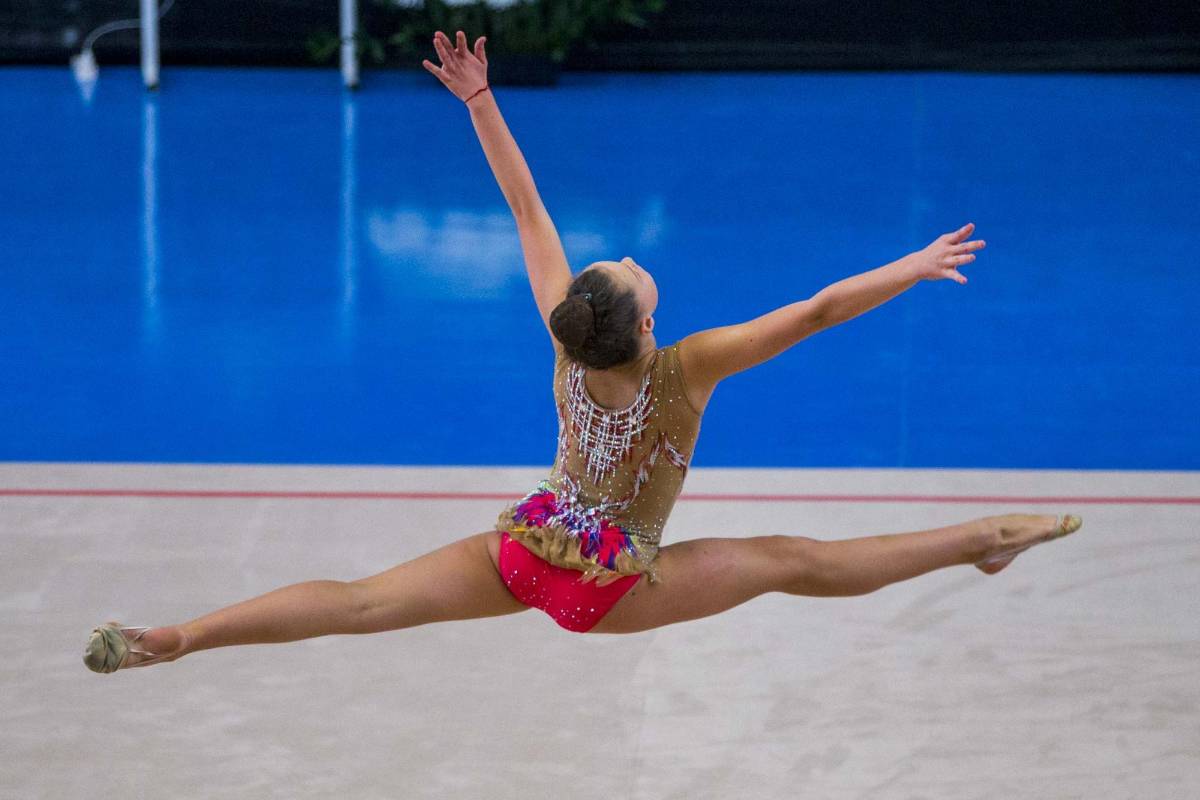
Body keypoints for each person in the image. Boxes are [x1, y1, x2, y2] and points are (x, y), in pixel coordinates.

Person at [83, 31, 1082, 673]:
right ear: (645, 325)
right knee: (793, 560)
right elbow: (817, 310)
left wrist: (480, 102)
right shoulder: (685, 368)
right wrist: (912, 262)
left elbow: (525, 207)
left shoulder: (567, 340)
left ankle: (182, 635)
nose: (630, 259)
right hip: (610, 582)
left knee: (362, 601)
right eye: (633, 271)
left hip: (530, 548)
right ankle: (978, 539)